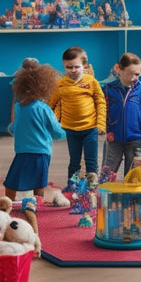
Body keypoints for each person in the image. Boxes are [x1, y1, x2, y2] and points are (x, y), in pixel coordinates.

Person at [4, 62, 65, 201]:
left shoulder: (19, 107)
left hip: (21, 151)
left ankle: (8, 202)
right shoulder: (43, 108)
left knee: (12, 181)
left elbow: (15, 127)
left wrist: (13, 130)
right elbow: (56, 131)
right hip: (41, 152)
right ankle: (37, 205)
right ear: (44, 88)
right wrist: (66, 132)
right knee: (39, 183)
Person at [49, 46, 106, 185]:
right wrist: (49, 124)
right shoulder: (61, 84)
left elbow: (101, 102)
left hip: (90, 128)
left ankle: (92, 187)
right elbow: (51, 104)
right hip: (70, 129)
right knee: (74, 161)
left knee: (91, 161)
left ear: (84, 66)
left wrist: (101, 124)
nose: (73, 70)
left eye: (76, 66)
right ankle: (72, 187)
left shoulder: (92, 82)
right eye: (69, 67)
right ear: (64, 66)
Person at [103, 52, 141, 176]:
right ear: (119, 70)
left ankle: (131, 195)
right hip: (113, 138)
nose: (135, 78)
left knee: (133, 174)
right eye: (130, 74)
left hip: (135, 139)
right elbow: (100, 110)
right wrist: (104, 128)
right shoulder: (108, 89)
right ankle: (104, 194)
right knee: (107, 173)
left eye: (137, 74)